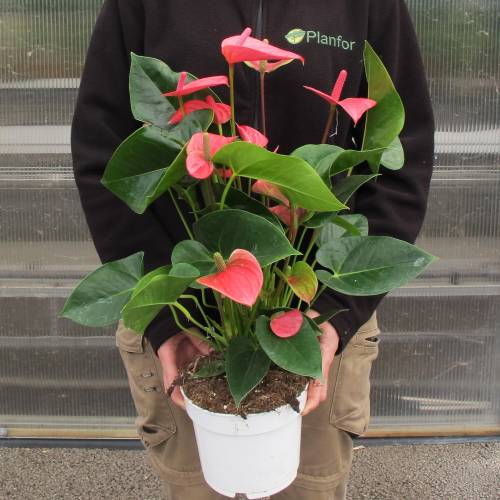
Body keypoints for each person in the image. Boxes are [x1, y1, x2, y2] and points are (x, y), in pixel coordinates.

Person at [71, 1, 434, 498]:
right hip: (184, 315)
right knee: (197, 484)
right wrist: (165, 318)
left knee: (310, 484)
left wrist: (335, 314)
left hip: (319, 320)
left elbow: (399, 153)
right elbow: (104, 157)